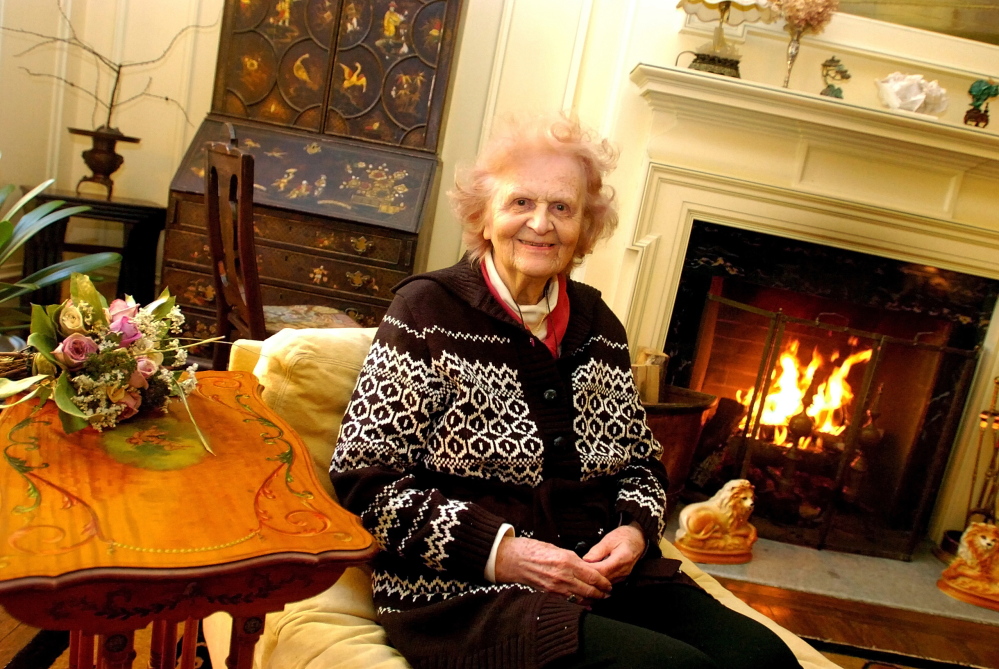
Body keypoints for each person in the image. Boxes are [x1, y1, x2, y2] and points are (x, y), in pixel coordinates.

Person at [330, 113, 802, 669]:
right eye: (520, 203)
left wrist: (634, 532)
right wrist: (504, 553)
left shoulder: (599, 324)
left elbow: (642, 463)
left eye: (562, 207)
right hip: (467, 593)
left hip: (601, 578)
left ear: (584, 228)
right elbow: (365, 482)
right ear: (484, 216)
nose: (541, 224)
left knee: (764, 659)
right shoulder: (426, 312)